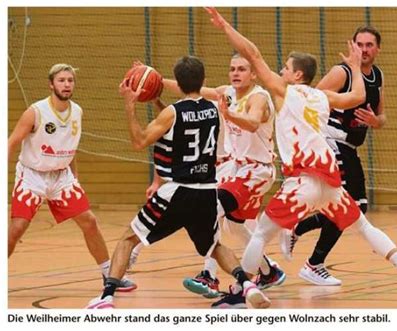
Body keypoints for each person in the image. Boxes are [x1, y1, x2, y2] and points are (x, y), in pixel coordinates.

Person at [205, 7, 397, 307]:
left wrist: (224, 27)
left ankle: (242, 289)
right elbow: (356, 98)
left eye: (285, 68)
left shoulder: (286, 92)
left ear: (297, 74)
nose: (281, 71)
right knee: (364, 227)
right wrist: (352, 66)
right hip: (332, 183)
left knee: (260, 233)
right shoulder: (322, 96)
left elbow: (253, 54)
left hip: (302, 182)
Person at [86, 56, 270, 309]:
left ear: (180, 84)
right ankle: (246, 284)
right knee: (214, 246)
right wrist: (159, 101)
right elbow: (184, 122)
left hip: (176, 192)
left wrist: (130, 105)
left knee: (129, 239)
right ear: (203, 80)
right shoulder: (216, 110)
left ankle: (106, 298)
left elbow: (140, 141)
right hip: (207, 191)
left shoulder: (172, 114)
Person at [132, 54, 285, 299]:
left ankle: (209, 276)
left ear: (254, 74)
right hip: (236, 168)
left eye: (242, 69)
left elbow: (254, 123)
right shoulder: (227, 92)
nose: (236, 73)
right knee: (235, 227)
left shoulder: (259, 97)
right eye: (232, 68)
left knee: (210, 210)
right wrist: (155, 80)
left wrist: (229, 114)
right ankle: (268, 272)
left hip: (256, 171)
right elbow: (193, 89)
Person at [8, 63, 136, 292]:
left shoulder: (77, 111)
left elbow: (70, 146)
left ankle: (109, 275)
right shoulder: (35, 111)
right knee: (17, 228)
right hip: (32, 176)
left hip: (61, 177)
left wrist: (75, 177)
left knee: (90, 221)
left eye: (70, 80)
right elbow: (11, 143)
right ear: (51, 84)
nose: (67, 84)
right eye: (61, 80)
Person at [279, 26, 387, 286]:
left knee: (357, 207)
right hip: (332, 142)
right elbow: (312, 99)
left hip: (350, 147)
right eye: (359, 44)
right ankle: (314, 264)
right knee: (349, 207)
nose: (363, 49)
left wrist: (375, 120)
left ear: (377, 49)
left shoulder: (378, 76)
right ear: (352, 46)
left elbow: (383, 117)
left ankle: (298, 230)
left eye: (369, 45)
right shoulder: (342, 72)